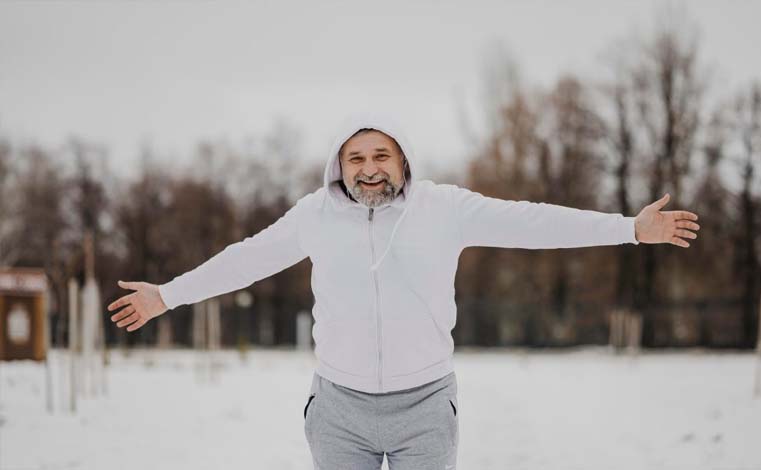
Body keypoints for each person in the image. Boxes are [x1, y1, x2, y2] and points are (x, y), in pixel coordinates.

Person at [107, 112, 700, 469]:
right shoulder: (314, 215)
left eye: (381, 154)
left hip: (424, 408)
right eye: (355, 156)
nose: (369, 167)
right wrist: (168, 295)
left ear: (403, 159)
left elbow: (533, 221)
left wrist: (628, 229)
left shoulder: (446, 209)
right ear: (339, 165)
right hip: (338, 408)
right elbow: (247, 259)